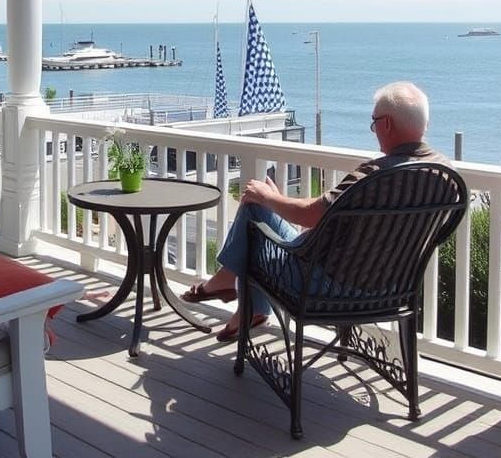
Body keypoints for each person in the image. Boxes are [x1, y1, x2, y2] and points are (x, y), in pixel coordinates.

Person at [181, 81, 448, 342]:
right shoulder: (446, 175)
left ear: (387, 124)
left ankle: (233, 288)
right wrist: (280, 205)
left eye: (374, 122)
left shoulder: (374, 176)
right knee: (262, 205)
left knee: (254, 210)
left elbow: (311, 214)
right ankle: (244, 302)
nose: (374, 129)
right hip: (392, 290)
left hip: (323, 288)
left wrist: (270, 198)